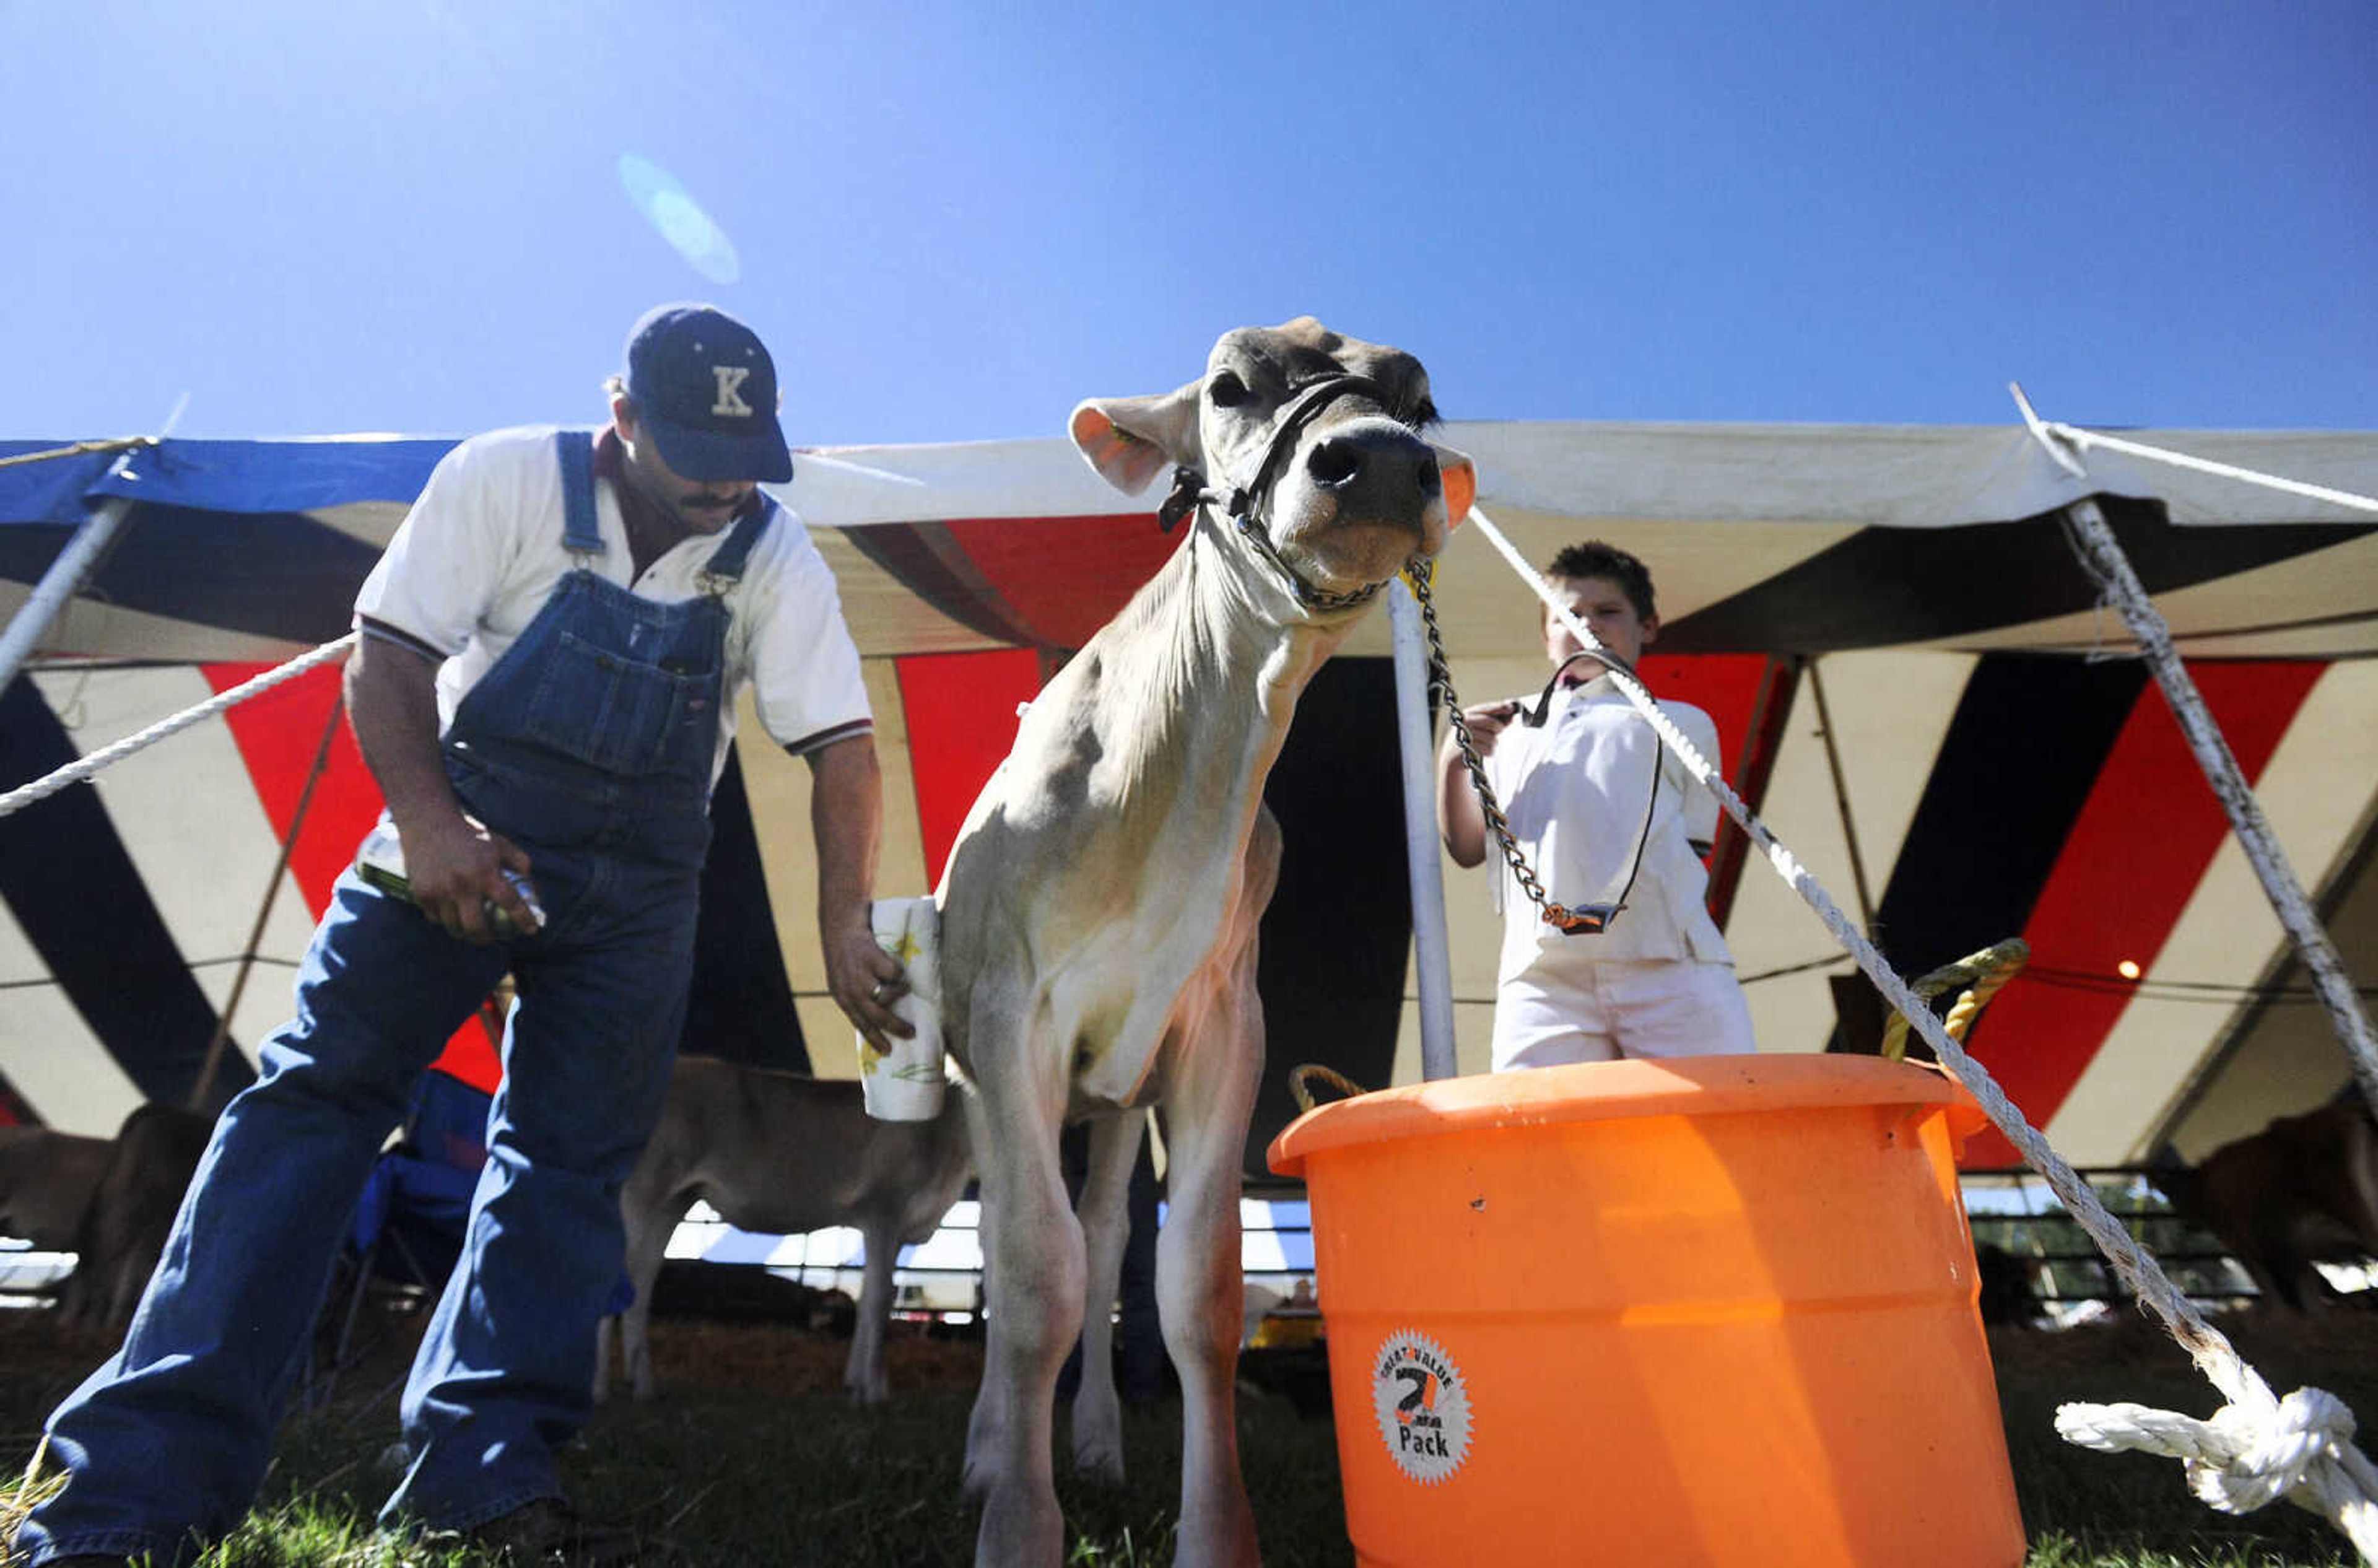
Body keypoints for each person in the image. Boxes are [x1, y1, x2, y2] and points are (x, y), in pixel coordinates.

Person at [16, 303, 909, 1568]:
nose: (724, 483)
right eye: (696, 450)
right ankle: (133, 1495)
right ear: (621, 418)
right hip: (442, 843)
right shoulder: (505, 480)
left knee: (570, 1168)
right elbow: (383, 661)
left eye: (746, 455)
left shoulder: (769, 551)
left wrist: (839, 924)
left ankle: (481, 1485)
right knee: (308, 1114)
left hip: (636, 902)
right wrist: (436, 834)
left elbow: (844, 749)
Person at [1437, 540, 1754, 1071]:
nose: (1587, 626)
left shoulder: (1684, 722)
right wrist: (1453, 759)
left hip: (1669, 964)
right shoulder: (1500, 728)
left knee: (1725, 1119)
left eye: (1608, 612)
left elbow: (1694, 845)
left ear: (1647, 627)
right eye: (1567, 615)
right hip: (1542, 976)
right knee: (1541, 1138)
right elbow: (1467, 849)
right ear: (1545, 633)